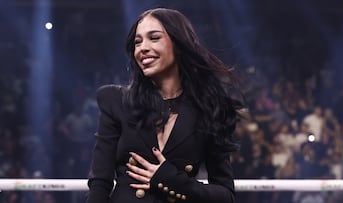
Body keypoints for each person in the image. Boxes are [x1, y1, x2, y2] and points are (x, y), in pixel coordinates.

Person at [86, 8, 245, 203]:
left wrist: (172, 180)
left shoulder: (208, 108)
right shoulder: (116, 101)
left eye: (154, 38)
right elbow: (99, 184)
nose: (142, 48)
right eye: (137, 42)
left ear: (178, 44)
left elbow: (226, 196)